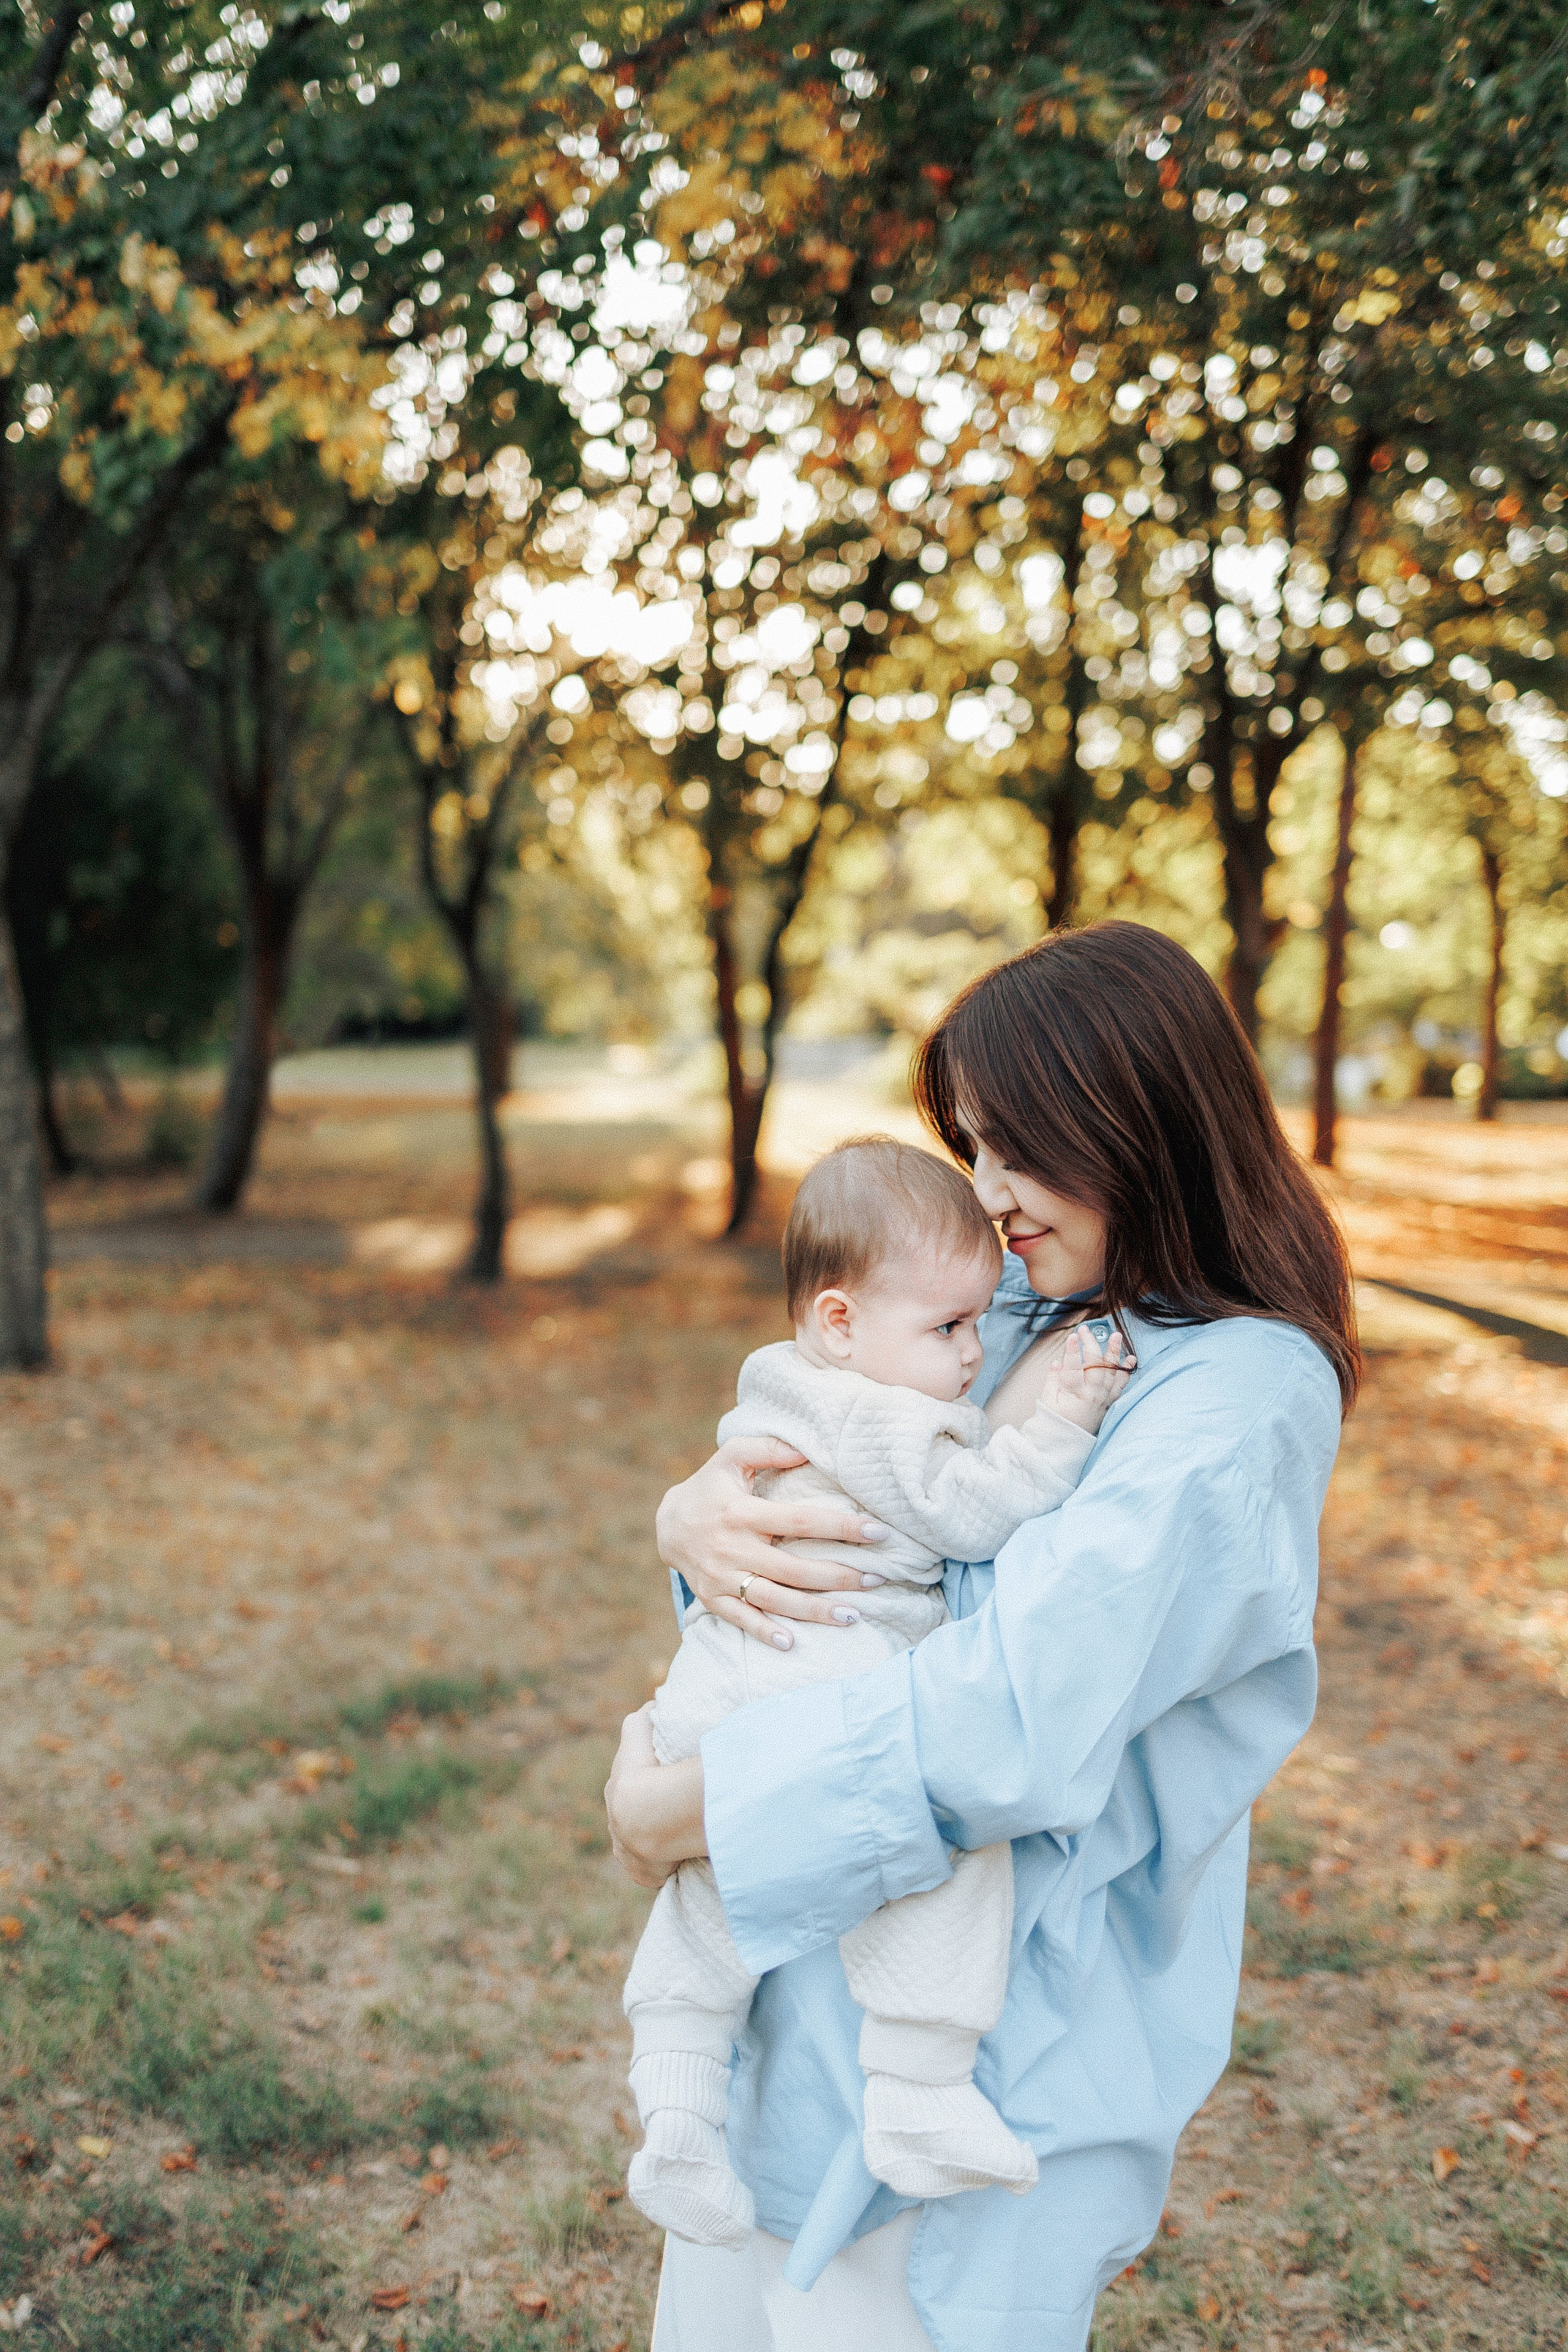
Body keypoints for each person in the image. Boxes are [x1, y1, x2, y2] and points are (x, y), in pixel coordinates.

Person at [605, 923, 1358, 2352]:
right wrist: (693, 1517)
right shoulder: (1034, 1303)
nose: (989, 1191)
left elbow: (1003, 1718)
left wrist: (671, 1812)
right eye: (972, 1145)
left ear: (1133, 1122)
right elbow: (846, 1507)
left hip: (997, 2050)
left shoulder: (1230, 1403)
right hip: (809, 1998)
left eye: (1017, 1146)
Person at [622, 1136, 1131, 2250]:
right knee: (942, 1855)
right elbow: (977, 1509)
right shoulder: (881, 1413)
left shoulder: (793, 1378)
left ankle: (676, 2117)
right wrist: (1067, 1421)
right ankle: (920, 2088)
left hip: (717, 1678)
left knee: (709, 1909)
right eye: (950, 1331)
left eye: (978, 1326)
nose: (972, 1351)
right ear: (842, 1320)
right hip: (825, 1669)